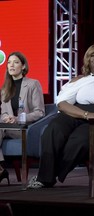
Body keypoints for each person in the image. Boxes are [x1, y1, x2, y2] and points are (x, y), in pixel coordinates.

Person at [27, 43, 94, 189]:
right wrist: (85, 114)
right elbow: (62, 104)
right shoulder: (79, 80)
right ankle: (45, 176)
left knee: (80, 140)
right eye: (93, 55)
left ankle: (46, 177)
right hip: (76, 113)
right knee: (53, 129)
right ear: (87, 60)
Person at [0, 51, 45, 185]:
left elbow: (40, 112)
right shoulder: (4, 89)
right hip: (6, 128)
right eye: (9, 62)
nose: (11, 65)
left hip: (24, 128)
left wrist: (18, 118)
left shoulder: (33, 84)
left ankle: (1, 170)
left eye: (16, 62)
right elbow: (2, 113)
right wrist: (6, 118)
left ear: (23, 66)